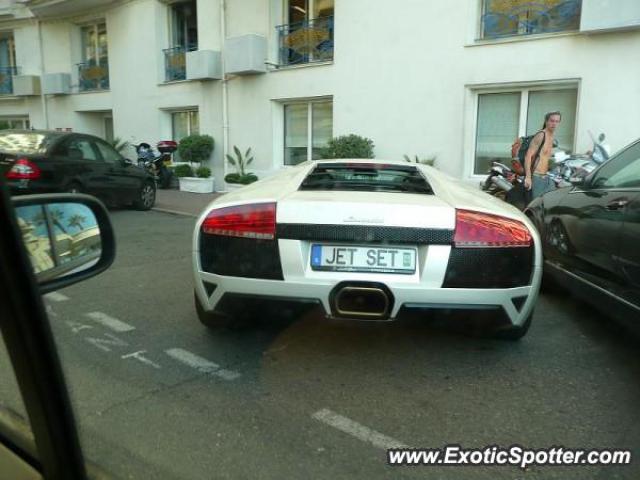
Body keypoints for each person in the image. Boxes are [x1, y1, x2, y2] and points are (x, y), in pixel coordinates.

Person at [524, 111, 561, 199]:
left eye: (557, 121)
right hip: (536, 176)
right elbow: (528, 156)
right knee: (536, 205)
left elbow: (545, 155)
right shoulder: (541, 135)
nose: (554, 124)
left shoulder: (551, 135)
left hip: (545, 176)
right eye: (552, 121)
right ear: (546, 121)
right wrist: (528, 177)